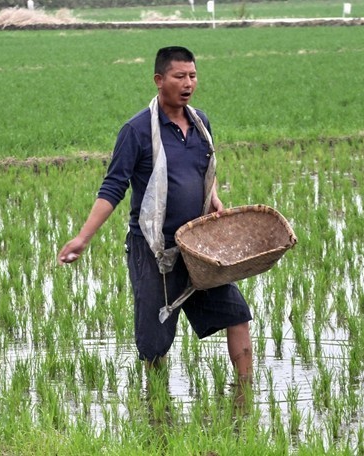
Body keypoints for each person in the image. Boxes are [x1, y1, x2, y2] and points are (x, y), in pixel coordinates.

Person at [57, 46, 253, 390]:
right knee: (154, 340)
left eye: (192, 75)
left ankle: (247, 394)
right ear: (159, 80)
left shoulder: (200, 122)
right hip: (154, 250)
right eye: (179, 76)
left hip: (199, 247)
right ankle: (157, 407)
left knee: (237, 314)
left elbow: (203, 170)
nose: (188, 83)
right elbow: (113, 187)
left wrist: (215, 199)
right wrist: (82, 238)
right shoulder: (136, 131)